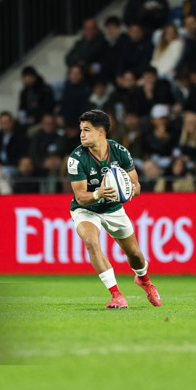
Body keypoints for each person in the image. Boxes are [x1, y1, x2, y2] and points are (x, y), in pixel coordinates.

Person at [67, 109, 161, 309]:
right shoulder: (77, 158)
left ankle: (144, 281)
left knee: (134, 253)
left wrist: (131, 190)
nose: (81, 134)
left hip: (113, 208)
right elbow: (80, 197)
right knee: (91, 242)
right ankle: (116, 294)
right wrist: (97, 194)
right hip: (87, 209)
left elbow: (135, 186)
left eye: (87, 130)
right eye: (81, 130)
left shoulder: (120, 152)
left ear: (101, 132)